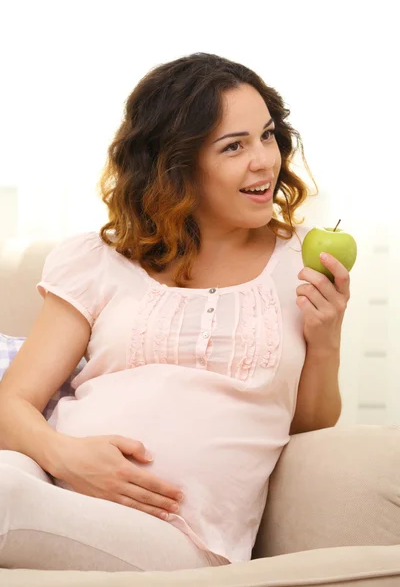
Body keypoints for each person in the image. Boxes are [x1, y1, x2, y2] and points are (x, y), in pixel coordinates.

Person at [0, 52, 350, 572]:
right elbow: (13, 403)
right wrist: (65, 457)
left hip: (180, 535)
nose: (264, 161)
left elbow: (310, 425)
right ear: (176, 164)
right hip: (46, 485)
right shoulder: (98, 260)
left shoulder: (302, 260)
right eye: (234, 146)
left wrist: (326, 339)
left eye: (268, 135)